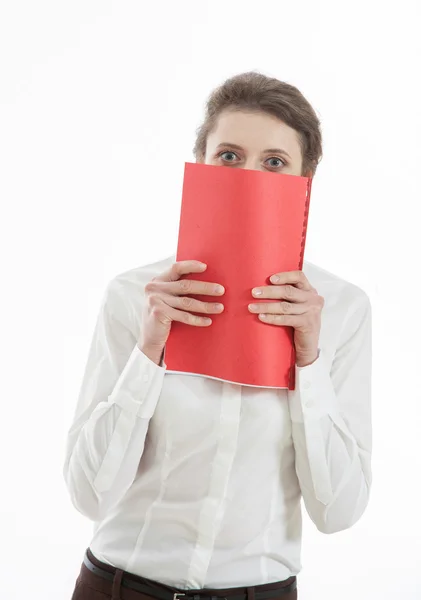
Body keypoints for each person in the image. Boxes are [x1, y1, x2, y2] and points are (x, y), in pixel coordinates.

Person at [64, 71, 372, 600]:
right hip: (119, 587)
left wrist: (309, 361)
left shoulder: (342, 310)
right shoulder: (135, 295)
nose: (247, 175)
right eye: (228, 155)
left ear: (306, 182)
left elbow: (338, 510)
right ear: (201, 163)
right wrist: (149, 351)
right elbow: (90, 495)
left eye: (274, 161)